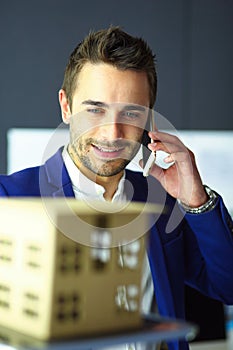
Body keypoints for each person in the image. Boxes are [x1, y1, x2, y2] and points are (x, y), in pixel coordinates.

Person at [0, 27, 233, 350]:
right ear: (66, 107)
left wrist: (196, 199)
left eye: (132, 113)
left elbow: (228, 286)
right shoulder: (9, 200)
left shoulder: (162, 201)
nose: (112, 133)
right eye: (95, 109)